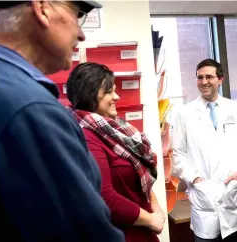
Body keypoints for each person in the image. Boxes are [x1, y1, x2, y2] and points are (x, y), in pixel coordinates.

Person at [0, 1, 124, 241]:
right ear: (42, 7)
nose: (82, 34)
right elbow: (85, 233)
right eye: (77, 15)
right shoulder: (29, 107)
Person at [66, 62, 166, 242]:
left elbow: (140, 175)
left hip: (143, 231)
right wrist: (151, 219)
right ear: (89, 94)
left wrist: (156, 206)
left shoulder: (114, 130)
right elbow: (104, 197)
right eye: (109, 91)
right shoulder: (86, 136)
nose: (117, 96)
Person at [171, 59, 237, 242]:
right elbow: (178, 154)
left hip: (232, 195)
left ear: (220, 79)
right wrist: (195, 179)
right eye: (200, 77)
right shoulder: (184, 113)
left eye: (209, 76)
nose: (204, 81)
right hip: (204, 198)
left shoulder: (235, 108)